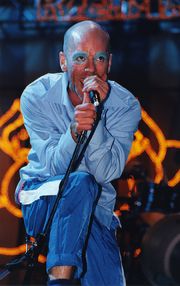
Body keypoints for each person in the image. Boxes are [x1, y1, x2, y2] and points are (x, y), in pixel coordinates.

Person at [15, 20, 141, 286]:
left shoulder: (125, 105)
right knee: (80, 183)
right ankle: (59, 281)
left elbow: (107, 173)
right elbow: (53, 166)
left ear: (109, 63)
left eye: (99, 58)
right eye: (80, 57)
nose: (90, 69)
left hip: (96, 212)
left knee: (110, 280)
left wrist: (95, 123)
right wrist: (73, 132)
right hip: (42, 196)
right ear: (63, 61)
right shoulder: (37, 96)